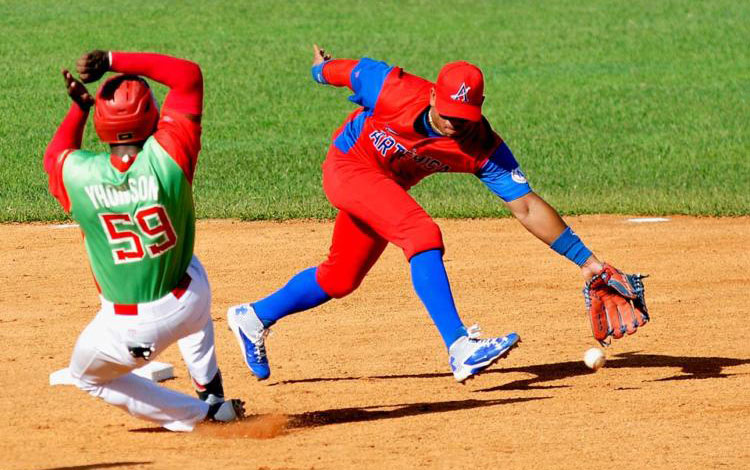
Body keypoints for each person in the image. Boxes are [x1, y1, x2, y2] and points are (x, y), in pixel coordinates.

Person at [227, 45, 648, 384]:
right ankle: (460, 346)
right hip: (348, 167)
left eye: (466, 118)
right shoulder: (392, 88)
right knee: (420, 231)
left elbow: (526, 205)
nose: (455, 125)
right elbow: (346, 72)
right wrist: (322, 69)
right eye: (448, 115)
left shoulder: (481, 145)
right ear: (432, 97)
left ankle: (254, 317)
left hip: (384, 188)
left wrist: (588, 262)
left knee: (341, 277)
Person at [44, 49, 244, 431]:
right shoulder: (170, 154)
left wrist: (78, 111)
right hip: (190, 300)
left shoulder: (77, 175)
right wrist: (111, 58)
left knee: (87, 375)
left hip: (132, 332)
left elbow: (56, 154)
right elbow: (187, 75)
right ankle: (210, 388)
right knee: (187, 263)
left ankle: (204, 414)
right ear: (152, 117)